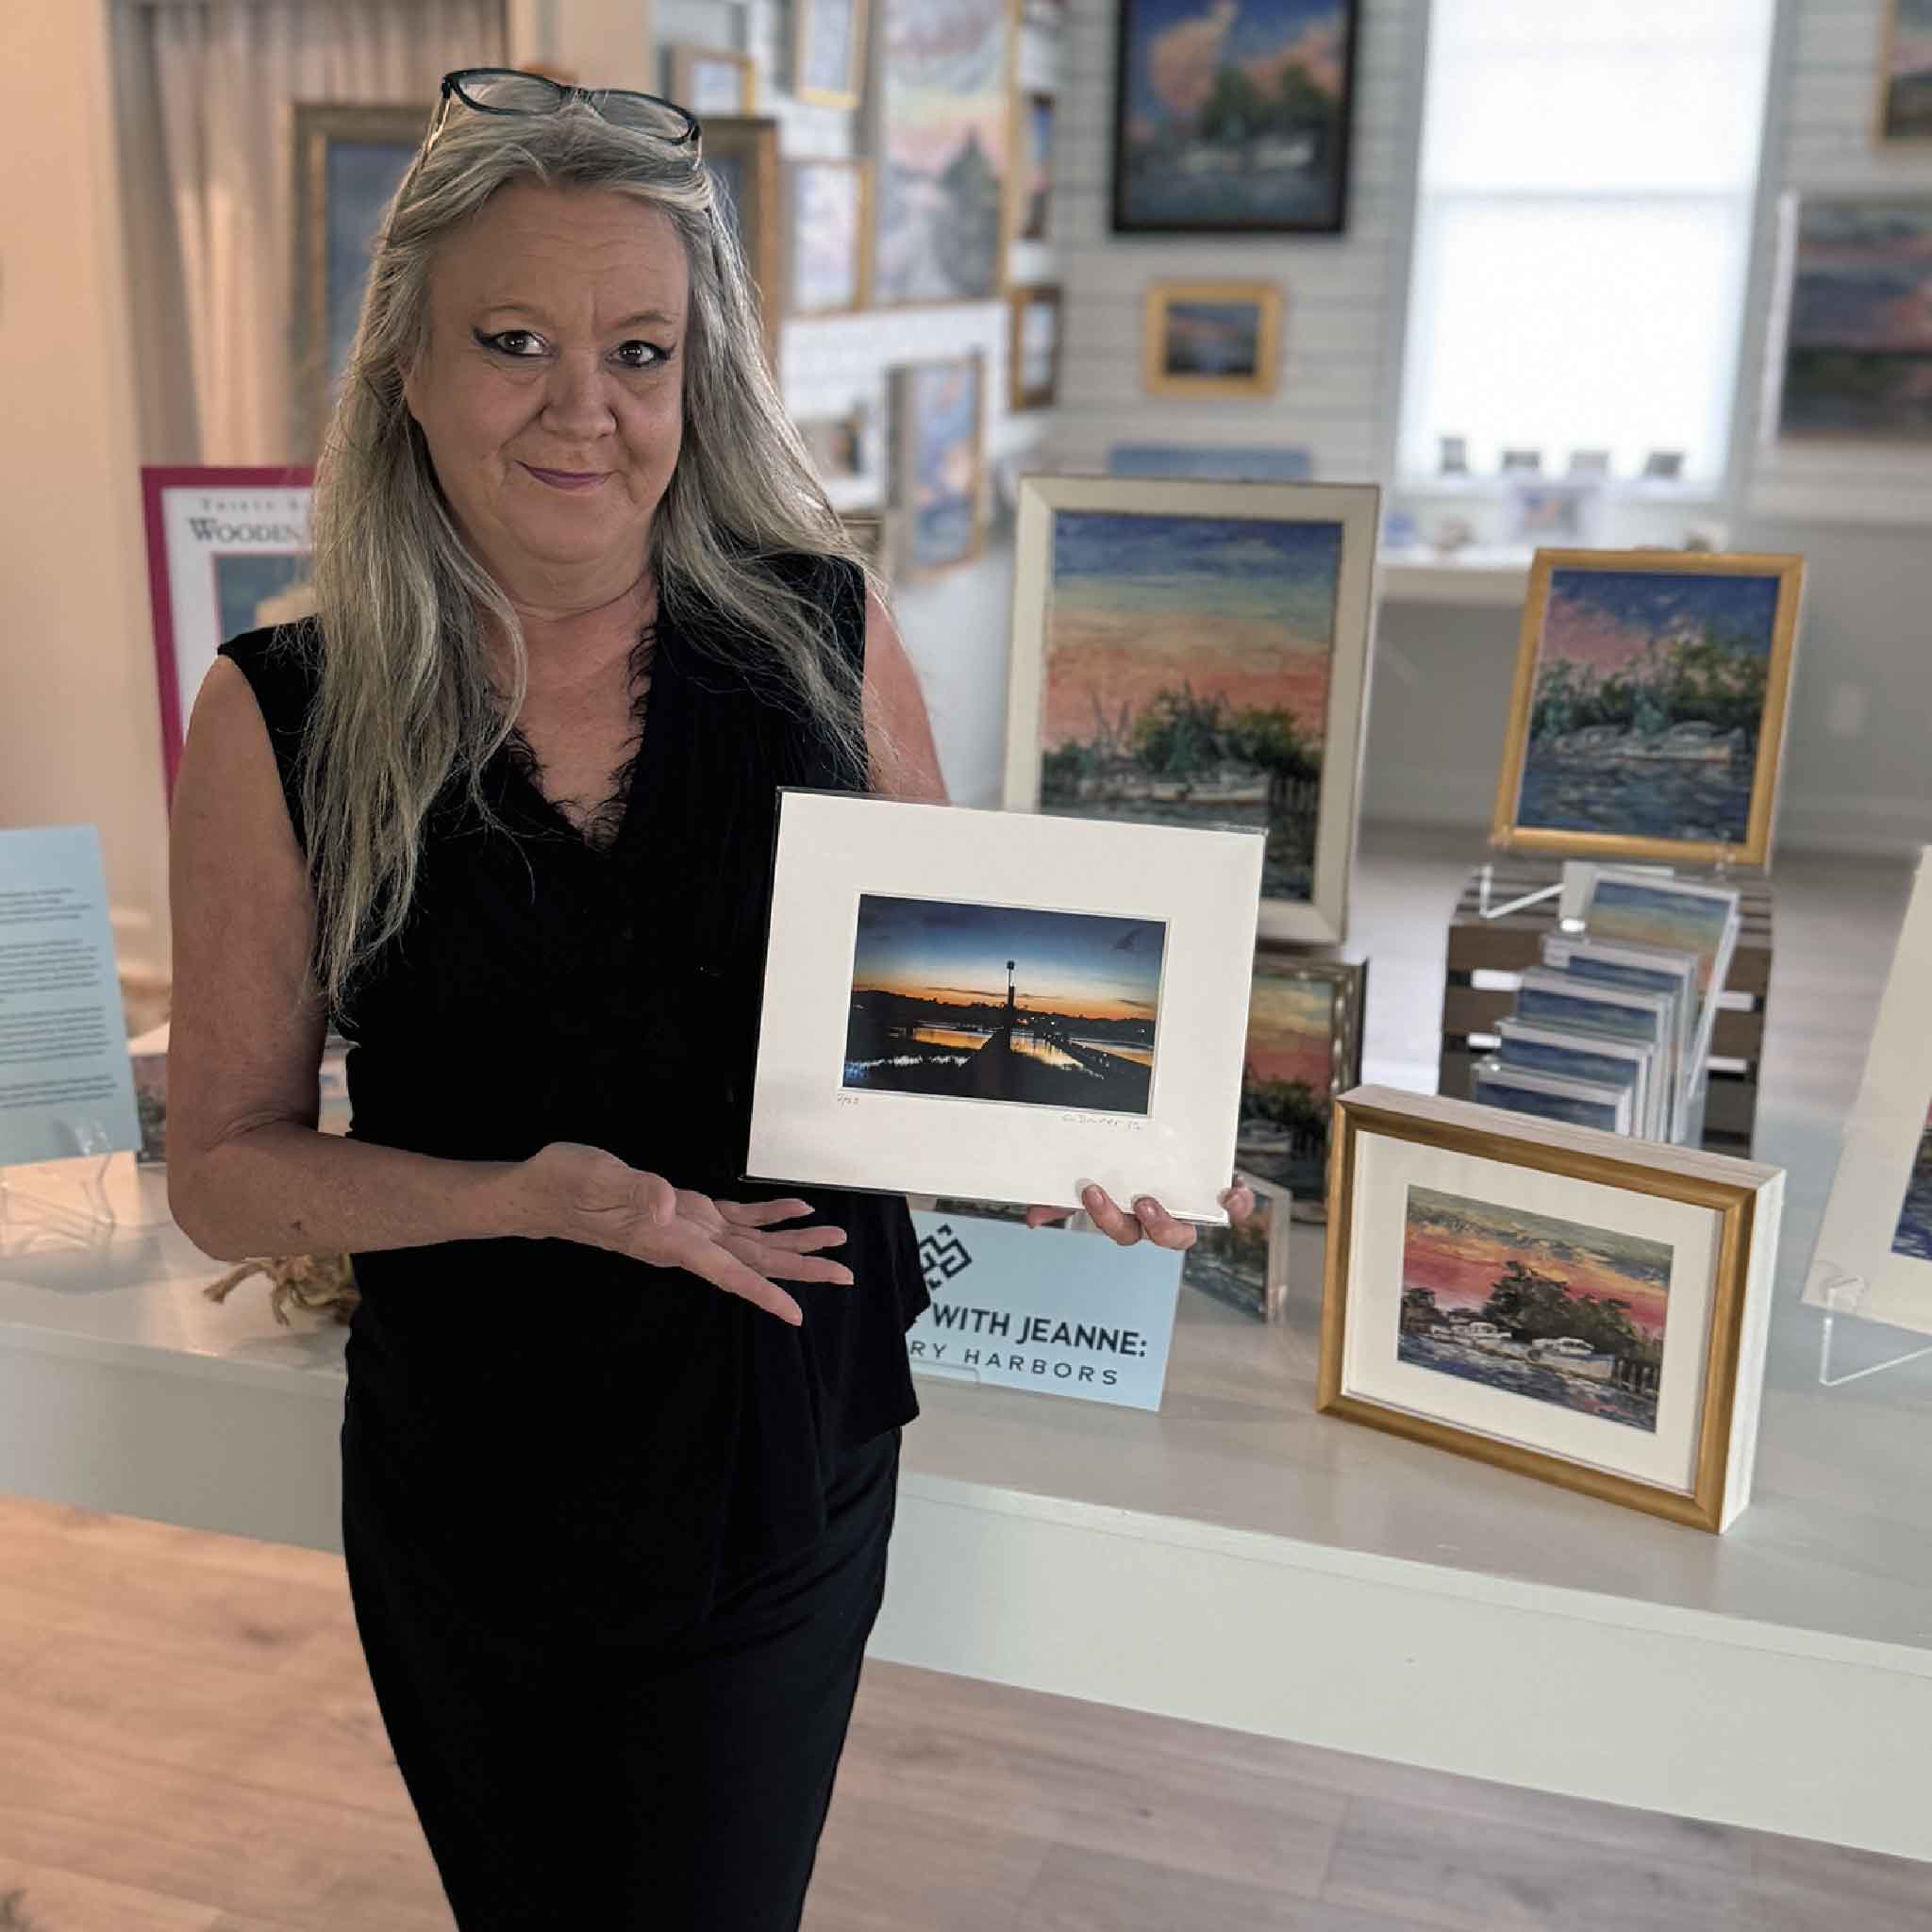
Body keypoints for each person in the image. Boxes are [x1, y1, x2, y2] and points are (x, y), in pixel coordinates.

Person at [164, 69, 1241, 1932]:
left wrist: (1086, 1160)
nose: (585, 407)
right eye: (513, 342)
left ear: (696, 379)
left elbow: (950, 1043)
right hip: (471, 1470)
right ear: (406, 367)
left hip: (774, 1441)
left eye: (640, 351)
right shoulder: (282, 714)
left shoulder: (824, 641)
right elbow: (227, 1169)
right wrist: (523, 1193)